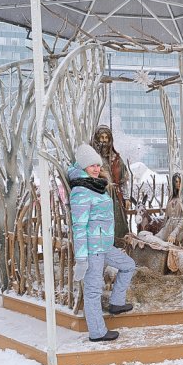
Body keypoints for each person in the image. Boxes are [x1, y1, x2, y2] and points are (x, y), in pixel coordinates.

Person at [68, 144, 137, 343]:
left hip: (104, 246)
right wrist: (81, 259)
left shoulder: (95, 185)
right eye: (91, 165)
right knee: (93, 290)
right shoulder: (81, 190)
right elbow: (78, 227)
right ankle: (97, 332)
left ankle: (116, 302)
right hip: (92, 250)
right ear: (82, 167)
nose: (96, 168)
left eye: (97, 165)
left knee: (128, 266)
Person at [90, 125, 131, 246]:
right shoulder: (92, 158)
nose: (104, 140)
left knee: (119, 225)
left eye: (106, 138)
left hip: (116, 200)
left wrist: (127, 197)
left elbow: (123, 181)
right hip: (100, 197)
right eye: (101, 137)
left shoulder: (116, 159)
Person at [156, 173, 183, 247]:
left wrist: (175, 233)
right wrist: (162, 229)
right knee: (155, 241)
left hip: (180, 230)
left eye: (180, 181)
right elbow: (166, 217)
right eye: (176, 182)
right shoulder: (171, 197)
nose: (178, 184)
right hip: (168, 228)